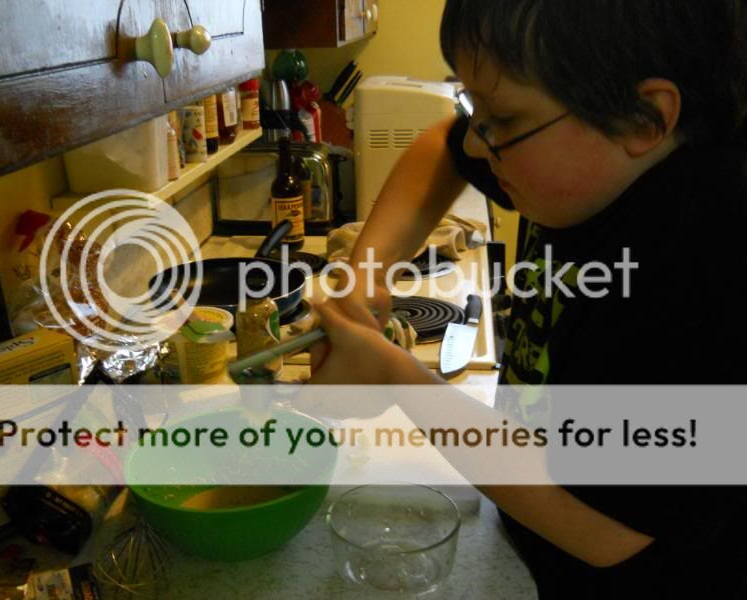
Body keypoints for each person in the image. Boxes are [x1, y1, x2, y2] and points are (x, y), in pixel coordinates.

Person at [308, 0, 747, 597]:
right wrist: (369, 271)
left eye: (504, 121)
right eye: (476, 110)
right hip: (531, 539)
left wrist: (396, 379)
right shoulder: (594, 169)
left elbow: (606, 528)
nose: (479, 144)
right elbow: (442, 146)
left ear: (645, 118)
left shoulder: (707, 262)